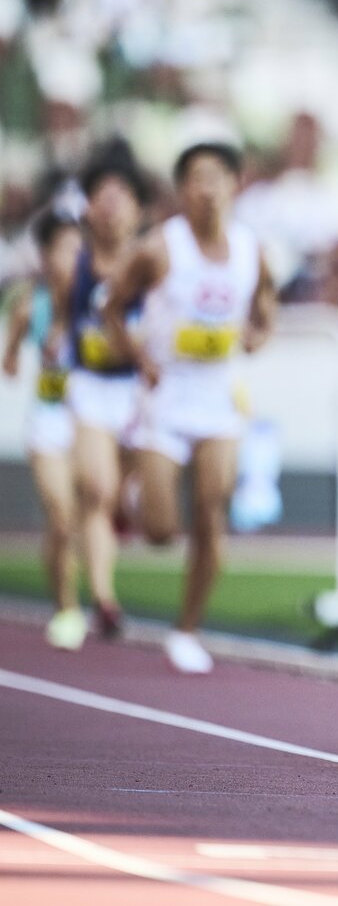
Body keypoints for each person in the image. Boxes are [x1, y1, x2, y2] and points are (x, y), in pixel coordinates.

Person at [103, 142, 277, 674]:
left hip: (219, 399)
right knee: (159, 532)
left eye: (218, 177)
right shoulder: (159, 248)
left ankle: (187, 629)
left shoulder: (252, 248)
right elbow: (112, 308)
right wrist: (138, 356)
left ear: (236, 184)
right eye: (197, 178)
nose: (208, 188)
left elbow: (265, 304)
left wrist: (256, 333)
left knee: (211, 513)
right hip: (166, 398)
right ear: (182, 190)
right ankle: (134, 496)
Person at [55, 148, 152, 640]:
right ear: (88, 206)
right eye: (102, 196)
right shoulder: (73, 260)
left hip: (140, 389)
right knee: (96, 489)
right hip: (91, 385)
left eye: (122, 196)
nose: (111, 205)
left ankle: (124, 507)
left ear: (138, 207)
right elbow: (54, 310)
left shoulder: (153, 259)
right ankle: (105, 600)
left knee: (124, 494)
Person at [3, 210, 84, 649]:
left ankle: (66, 590)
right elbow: (10, 362)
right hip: (49, 422)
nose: (76, 257)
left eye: (80, 248)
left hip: (91, 422)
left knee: (74, 521)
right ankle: (67, 608)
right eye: (66, 248)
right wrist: (18, 354)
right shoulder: (29, 306)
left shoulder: (96, 301)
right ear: (47, 255)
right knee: (61, 513)